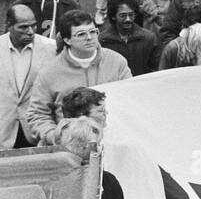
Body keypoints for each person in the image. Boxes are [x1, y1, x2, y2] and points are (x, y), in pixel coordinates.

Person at [26, 11, 131, 145]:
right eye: (81, 34)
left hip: (113, 145)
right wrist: (56, 136)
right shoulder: (49, 72)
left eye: (93, 32)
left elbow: (129, 103)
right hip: (68, 150)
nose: (89, 37)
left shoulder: (117, 62)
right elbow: (37, 114)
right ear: (67, 40)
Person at [1, 5, 57, 148]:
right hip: (3, 132)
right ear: (9, 25)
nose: (30, 32)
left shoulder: (51, 48)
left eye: (34, 26)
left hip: (37, 132)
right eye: (23, 27)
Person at [99, 0, 159, 75]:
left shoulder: (148, 38)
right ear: (113, 16)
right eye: (122, 16)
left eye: (131, 15)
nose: (128, 19)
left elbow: (155, 69)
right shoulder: (103, 41)